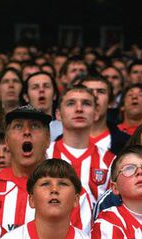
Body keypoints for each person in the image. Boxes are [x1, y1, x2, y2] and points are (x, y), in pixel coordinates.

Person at [46, 86, 114, 220]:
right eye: (71, 104)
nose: (79, 109)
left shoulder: (110, 161)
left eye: (86, 104)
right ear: (58, 114)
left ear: (95, 114)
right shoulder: (44, 155)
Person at [0, 105, 51, 232]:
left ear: (48, 139)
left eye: (35, 125)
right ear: (6, 141)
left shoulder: (68, 191)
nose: (26, 132)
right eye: (18, 126)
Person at [78, 74, 130, 155]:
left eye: (101, 92)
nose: (95, 96)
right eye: (89, 91)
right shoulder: (61, 142)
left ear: (110, 102)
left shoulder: (127, 143)